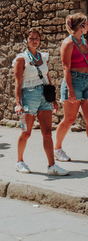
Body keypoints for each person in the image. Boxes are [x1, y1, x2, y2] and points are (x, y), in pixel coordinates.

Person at [13, 28, 69, 175]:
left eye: (37, 38)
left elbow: (47, 77)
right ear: (26, 40)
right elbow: (18, 83)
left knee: (48, 133)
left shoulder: (43, 57)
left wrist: (53, 99)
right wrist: (18, 103)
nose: (34, 40)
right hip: (28, 96)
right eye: (31, 38)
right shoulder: (21, 58)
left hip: (44, 96)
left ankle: (52, 166)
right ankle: (19, 161)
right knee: (26, 132)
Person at [54, 13, 88, 162]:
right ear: (82, 25)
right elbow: (66, 68)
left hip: (87, 80)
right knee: (69, 119)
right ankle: (57, 149)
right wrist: (70, 90)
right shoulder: (68, 43)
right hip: (73, 82)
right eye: (87, 23)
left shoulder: (84, 41)